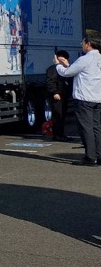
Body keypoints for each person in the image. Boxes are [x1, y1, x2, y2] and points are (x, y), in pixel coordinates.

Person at [56, 30, 101, 165]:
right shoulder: (99, 57)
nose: (82, 45)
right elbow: (80, 70)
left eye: (83, 42)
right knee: (97, 127)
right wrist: (68, 65)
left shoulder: (85, 58)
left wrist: (58, 65)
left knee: (85, 128)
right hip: (97, 97)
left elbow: (67, 73)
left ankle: (90, 157)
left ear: (88, 44)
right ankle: (99, 155)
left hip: (84, 98)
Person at [48, 50, 74, 141]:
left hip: (65, 94)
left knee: (63, 115)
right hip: (57, 95)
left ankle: (61, 134)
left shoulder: (67, 69)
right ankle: (57, 135)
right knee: (57, 115)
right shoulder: (53, 69)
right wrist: (54, 92)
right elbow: (50, 81)